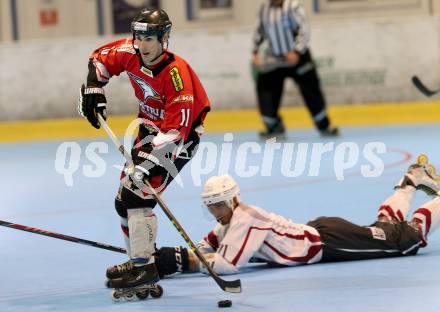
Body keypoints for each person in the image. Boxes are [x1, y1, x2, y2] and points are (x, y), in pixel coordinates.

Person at [77, 8, 210, 290]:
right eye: (138, 37)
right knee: (122, 202)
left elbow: (176, 132)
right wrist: (93, 89)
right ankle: (139, 257)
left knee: (137, 196)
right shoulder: (131, 52)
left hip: (180, 140)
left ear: (164, 38)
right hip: (149, 131)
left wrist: (146, 165)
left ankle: (145, 268)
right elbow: (100, 60)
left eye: (149, 38)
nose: (142, 44)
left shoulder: (177, 76)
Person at [153, 155, 440, 277]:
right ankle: (412, 179)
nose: (216, 212)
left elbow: (226, 265)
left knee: (406, 240)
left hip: (328, 242)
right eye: (211, 206)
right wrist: (178, 256)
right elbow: (206, 248)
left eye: (219, 205)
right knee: (386, 228)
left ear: (233, 199)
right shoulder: (229, 222)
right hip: (325, 233)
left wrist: (182, 263)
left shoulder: (245, 218)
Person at [252, 0, 338, 140]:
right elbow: (259, 31)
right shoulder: (264, 9)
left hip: (298, 58)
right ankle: (274, 127)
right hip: (276, 59)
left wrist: (297, 51)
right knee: (264, 89)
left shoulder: (293, 6)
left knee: (312, 91)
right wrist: (255, 52)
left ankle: (324, 125)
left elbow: (305, 29)